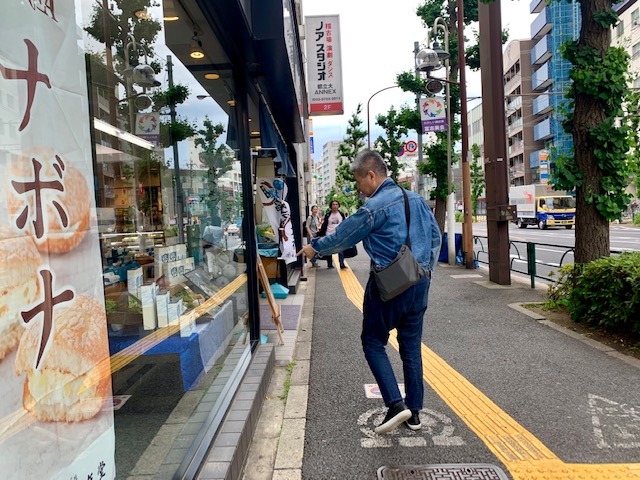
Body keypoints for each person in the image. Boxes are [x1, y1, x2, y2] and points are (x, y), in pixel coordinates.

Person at [297, 150, 441, 434]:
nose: (359, 188)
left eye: (359, 181)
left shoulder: (374, 207)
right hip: (420, 281)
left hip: (390, 283)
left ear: (372, 175)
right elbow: (435, 237)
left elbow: (344, 236)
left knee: (373, 341)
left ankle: (396, 404)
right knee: (411, 347)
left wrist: (315, 248)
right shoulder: (416, 200)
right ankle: (414, 413)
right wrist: (426, 270)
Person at [316, 200, 347, 269]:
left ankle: (342, 264)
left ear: (338, 206)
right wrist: (322, 234)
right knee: (329, 249)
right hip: (329, 234)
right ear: (331, 206)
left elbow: (344, 224)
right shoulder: (328, 214)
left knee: (340, 249)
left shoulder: (341, 214)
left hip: (339, 234)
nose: (335, 206)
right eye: (333, 204)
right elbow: (324, 224)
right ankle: (329, 264)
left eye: (336, 204)